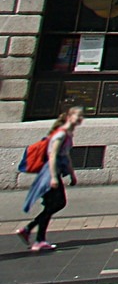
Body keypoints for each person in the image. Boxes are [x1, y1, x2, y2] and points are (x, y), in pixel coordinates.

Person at [17, 108, 81, 252]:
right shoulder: (60, 135)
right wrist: (53, 177)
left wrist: (72, 174)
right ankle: (35, 236)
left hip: (53, 173)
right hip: (49, 174)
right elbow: (52, 155)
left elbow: (66, 157)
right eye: (77, 117)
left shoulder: (67, 135)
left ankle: (32, 232)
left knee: (52, 205)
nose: (80, 119)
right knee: (58, 203)